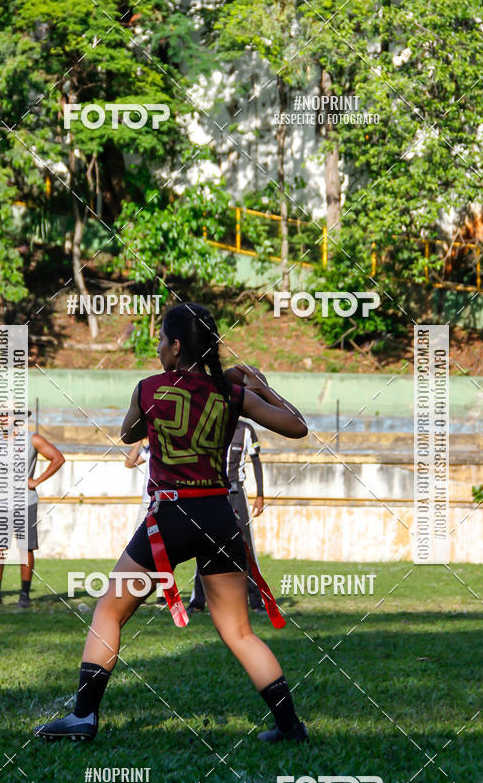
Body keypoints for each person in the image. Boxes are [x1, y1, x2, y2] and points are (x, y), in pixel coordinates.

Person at [34, 302, 309, 744]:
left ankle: (83, 716)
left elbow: (128, 434)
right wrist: (262, 387)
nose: (159, 347)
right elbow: (297, 427)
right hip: (220, 514)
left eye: (162, 339)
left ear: (177, 346)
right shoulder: (232, 393)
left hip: (172, 515)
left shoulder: (148, 388)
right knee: (239, 631)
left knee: (109, 610)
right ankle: (290, 726)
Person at [0, 411, 65, 608]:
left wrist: (36, 481)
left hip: (25, 502)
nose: (3, 418)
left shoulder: (32, 439)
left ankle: (24, 595)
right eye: (0, 415)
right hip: (1, 503)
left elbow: (58, 458)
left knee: (25, 548)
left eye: (8, 415)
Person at [188, 418, 266, 614]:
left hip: (236, 492)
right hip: (213, 492)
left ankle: (257, 601)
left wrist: (260, 495)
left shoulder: (246, 430)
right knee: (204, 544)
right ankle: (197, 601)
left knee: (246, 546)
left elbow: (256, 461)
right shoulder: (208, 426)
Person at [124, 438, 165, 606]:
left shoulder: (166, 445)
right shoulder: (148, 449)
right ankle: (140, 592)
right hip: (145, 504)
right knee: (139, 547)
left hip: (161, 502)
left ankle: (163, 594)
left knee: (162, 549)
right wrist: (138, 443)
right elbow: (129, 463)